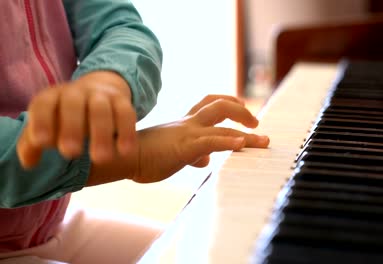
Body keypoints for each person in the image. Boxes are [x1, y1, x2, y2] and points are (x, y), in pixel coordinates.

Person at [0, 0, 269, 263]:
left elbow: (120, 25)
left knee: (229, 251)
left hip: (50, 228)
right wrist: (132, 157)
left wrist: (109, 78)